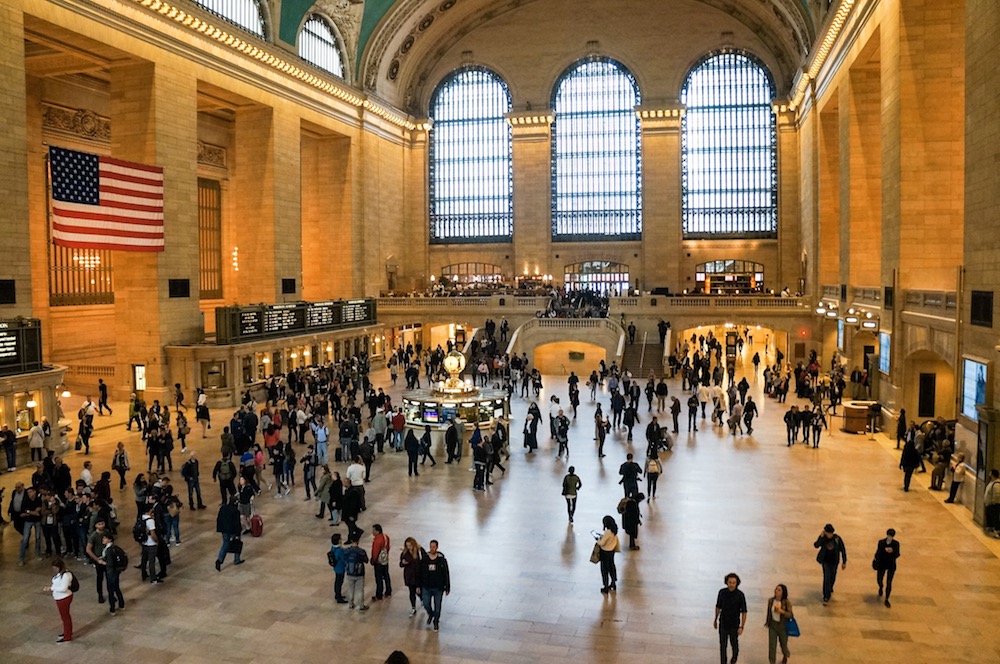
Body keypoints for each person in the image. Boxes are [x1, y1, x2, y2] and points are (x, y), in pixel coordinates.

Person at [715, 572, 747, 664]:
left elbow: (744, 611)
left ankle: (734, 659)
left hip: (734, 625)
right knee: (723, 646)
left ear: (737, 583)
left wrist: (742, 626)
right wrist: (715, 619)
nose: (732, 584)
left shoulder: (740, 595)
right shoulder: (722, 592)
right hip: (723, 623)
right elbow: (718, 606)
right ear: (727, 582)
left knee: (734, 645)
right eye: (730, 582)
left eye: (734, 582)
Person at [418, 539, 450, 631]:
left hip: (438, 587)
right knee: (426, 603)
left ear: (437, 547)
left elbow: (446, 573)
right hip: (426, 586)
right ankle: (430, 614)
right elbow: (420, 572)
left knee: (438, 606)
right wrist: (418, 585)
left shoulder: (441, 560)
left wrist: (447, 587)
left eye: (434, 547)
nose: (432, 548)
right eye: (430, 546)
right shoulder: (425, 559)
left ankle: (436, 621)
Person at [814, 523, 847, 604]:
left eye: (831, 533)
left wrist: (844, 561)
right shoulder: (823, 539)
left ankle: (830, 587)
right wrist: (820, 537)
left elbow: (843, 549)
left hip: (834, 561)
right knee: (827, 577)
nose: (829, 535)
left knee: (833, 576)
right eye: (828, 533)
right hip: (826, 561)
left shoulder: (837, 539)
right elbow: (816, 545)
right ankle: (826, 595)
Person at [46, 558, 75, 642]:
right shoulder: (60, 574)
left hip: (64, 598)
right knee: (65, 617)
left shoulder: (66, 575)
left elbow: (63, 588)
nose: (54, 569)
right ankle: (67, 632)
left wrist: (51, 588)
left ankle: (67, 636)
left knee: (65, 617)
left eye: (55, 568)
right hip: (60, 598)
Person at [764, 584, 793, 664]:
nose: (776, 591)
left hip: (783, 627)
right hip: (773, 625)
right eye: (776, 589)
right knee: (772, 646)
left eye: (779, 590)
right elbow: (769, 612)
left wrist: (782, 611)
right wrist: (767, 622)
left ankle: (785, 654)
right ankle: (772, 661)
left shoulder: (786, 602)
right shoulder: (771, 600)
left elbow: (790, 615)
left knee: (783, 644)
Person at [98, 532, 126, 614]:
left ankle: (112, 608)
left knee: (110, 590)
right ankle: (121, 604)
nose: (103, 540)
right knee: (117, 588)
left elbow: (109, 563)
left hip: (111, 571)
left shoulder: (109, 550)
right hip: (116, 571)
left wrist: (102, 562)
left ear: (109, 539)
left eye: (105, 538)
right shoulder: (115, 548)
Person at [215, 495, 244, 570]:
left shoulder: (223, 508)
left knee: (225, 544)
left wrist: (219, 528)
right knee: (237, 543)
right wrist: (238, 533)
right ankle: (236, 559)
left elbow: (219, 519)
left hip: (224, 530)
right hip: (232, 531)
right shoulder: (236, 511)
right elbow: (237, 523)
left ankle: (219, 560)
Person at [872, 528, 900, 607]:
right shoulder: (881, 542)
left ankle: (887, 598)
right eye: (889, 536)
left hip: (891, 565)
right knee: (879, 579)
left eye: (891, 536)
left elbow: (897, 554)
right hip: (882, 564)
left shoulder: (896, 544)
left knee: (889, 582)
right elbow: (878, 553)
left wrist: (892, 551)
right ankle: (880, 586)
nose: (890, 537)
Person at [399, 537, 425, 617]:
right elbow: (401, 564)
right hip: (409, 576)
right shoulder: (404, 553)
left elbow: (424, 560)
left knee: (418, 590)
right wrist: (404, 563)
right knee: (411, 592)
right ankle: (413, 607)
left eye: (410, 545)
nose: (409, 547)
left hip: (418, 575)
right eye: (407, 546)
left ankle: (422, 599)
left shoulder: (418, 552)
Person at [595, 515, 620, 594]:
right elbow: (616, 541)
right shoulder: (614, 531)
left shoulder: (607, 532)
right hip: (611, 552)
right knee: (611, 567)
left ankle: (606, 587)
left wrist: (598, 540)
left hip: (605, 552)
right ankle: (613, 583)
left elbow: (602, 543)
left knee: (604, 570)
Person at [343, 537, 370, 611]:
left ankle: (351, 604)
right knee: (360, 590)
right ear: (358, 541)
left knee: (351, 588)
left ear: (351, 541)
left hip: (349, 572)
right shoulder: (361, 551)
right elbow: (366, 560)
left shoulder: (346, 551)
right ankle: (361, 605)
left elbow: (344, 560)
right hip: (359, 573)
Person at [371, 524, 393, 601]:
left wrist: (373, 560)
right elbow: (388, 548)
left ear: (377, 531)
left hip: (379, 562)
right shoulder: (386, 537)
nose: (372, 532)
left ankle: (379, 594)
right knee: (386, 576)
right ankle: (388, 591)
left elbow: (375, 552)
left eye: (373, 530)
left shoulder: (377, 540)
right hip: (385, 560)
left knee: (379, 578)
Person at [329, 533, 348, 604]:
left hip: (336, 567)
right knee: (339, 582)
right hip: (340, 568)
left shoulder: (333, 548)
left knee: (337, 581)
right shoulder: (339, 550)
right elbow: (343, 559)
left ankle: (337, 594)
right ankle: (339, 597)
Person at [985, 469, 1000, 538]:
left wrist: (993, 502)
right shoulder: (992, 482)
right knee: (990, 517)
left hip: (993, 505)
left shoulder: (996, 484)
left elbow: (997, 495)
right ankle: (991, 528)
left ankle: (997, 531)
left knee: (995, 518)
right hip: (989, 504)